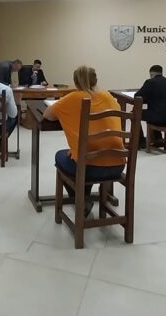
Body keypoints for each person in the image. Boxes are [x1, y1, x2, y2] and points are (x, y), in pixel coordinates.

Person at [43, 65, 125, 217]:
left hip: (89, 167)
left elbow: (48, 115)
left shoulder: (72, 98)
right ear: (96, 80)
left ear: (76, 82)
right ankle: (87, 197)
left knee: (61, 155)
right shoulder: (109, 97)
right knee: (80, 155)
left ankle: (82, 200)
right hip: (118, 165)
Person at [134, 65, 166, 148]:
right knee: (155, 110)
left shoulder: (150, 82)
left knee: (134, 114)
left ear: (151, 73)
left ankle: (141, 141)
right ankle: (158, 138)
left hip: (157, 118)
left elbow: (137, 96)